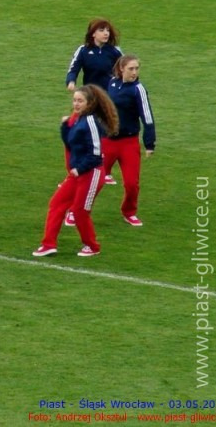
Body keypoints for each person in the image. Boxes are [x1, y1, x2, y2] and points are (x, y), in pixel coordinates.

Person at [33, 84, 118, 258]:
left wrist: (79, 169)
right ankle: (48, 244)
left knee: (80, 212)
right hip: (77, 174)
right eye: (75, 100)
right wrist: (65, 127)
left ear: (90, 103)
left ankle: (92, 246)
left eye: (80, 101)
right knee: (56, 203)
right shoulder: (78, 119)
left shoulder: (91, 122)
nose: (76, 104)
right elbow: (69, 143)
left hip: (91, 173)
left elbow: (96, 155)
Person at [65, 18, 122, 186]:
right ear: (93, 34)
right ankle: (74, 173)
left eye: (107, 30)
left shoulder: (114, 52)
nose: (106, 33)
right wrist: (71, 81)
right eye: (102, 30)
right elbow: (74, 68)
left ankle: (103, 171)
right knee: (78, 132)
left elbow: (123, 70)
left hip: (107, 98)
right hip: (88, 98)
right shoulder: (83, 50)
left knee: (105, 134)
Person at [102, 54, 156, 226]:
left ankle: (129, 212)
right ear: (121, 69)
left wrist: (149, 143)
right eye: (131, 69)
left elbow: (147, 117)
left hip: (129, 144)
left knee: (132, 184)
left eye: (137, 69)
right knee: (92, 180)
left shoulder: (138, 89)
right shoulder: (112, 83)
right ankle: (76, 209)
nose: (134, 72)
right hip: (108, 141)